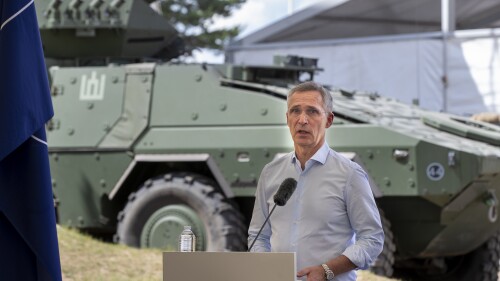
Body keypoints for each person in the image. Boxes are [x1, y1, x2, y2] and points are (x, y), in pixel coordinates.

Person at [248, 81, 384, 281]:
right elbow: (258, 236)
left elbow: (372, 239)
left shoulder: (350, 174)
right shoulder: (270, 173)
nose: (302, 120)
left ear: (328, 120)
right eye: (295, 111)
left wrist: (327, 270)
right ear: (287, 119)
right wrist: (269, 271)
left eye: (312, 111)